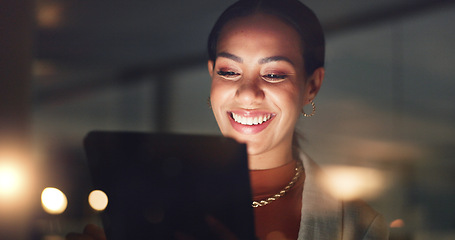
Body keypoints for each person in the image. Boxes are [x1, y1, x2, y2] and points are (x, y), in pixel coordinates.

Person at [67, 0, 389, 239]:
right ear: (212, 76)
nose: (248, 93)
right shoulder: (148, 201)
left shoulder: (360, 228)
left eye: (274, 74)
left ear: (312, 86)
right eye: (229, 71)